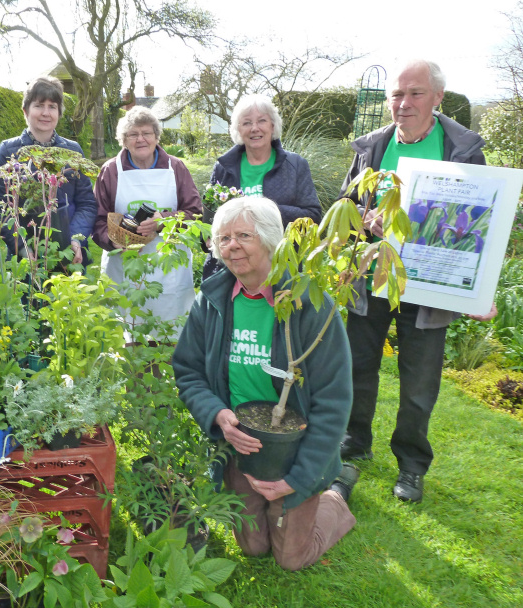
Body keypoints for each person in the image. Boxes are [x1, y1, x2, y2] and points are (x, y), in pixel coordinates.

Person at [339, 59, 497, 503]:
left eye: (415, 94)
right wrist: (360, 222)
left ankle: (410, 465)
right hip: (371, 276)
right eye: (396, 94)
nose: (403, 104)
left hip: (429, 287)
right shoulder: (373, 147)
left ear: (438, 98)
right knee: (357, 366)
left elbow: (478, 222)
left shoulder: (461, 150)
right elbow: (346, 205)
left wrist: (480, 287)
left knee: (419, 382)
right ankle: (355, 439)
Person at [172, 196, 358, 571]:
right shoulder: (212, 300)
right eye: (223, 238)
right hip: (241, 443)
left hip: (296, 446)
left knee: (291, 558)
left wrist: (301, 477)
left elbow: (333, 401)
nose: (231, 246)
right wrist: (218, 414)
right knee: (254, 548)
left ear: (272, 241)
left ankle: (335, 495)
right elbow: (188, 369)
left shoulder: (310, 303)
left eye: (244, 235)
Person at [92, 106, 202, 332]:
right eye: (133, 134)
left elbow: (195, 213)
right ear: (124, 140)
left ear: (156, 137)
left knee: (169, 336)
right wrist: (113, 241)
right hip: (124, 267)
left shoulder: (176, 168)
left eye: (146, 133)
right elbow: (97, 220)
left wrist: (165, 221)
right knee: (127, 340)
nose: (140, 139)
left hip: (170, 270)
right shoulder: (111, 171)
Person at [203, 95, 322, 278]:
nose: (255, 128)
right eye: (247, 123)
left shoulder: (295, 165)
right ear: (238, 129)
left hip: (280, 266)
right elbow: (207, 221)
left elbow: (312, 217)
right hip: (231, 269)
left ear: (272, 126)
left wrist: (261, 212)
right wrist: (209, 237)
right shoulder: (223, 168)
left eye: (262, 121)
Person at [0, 76, 96, 265]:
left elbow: (87, 203)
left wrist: (76, 239)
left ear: (59, 112)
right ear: (26, 111)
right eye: (39, 105)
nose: (46, 113)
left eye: (52, 106)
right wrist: (20, 245)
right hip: (26, 257)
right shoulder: (9, 151)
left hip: (69, 255)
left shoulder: (73, 151)